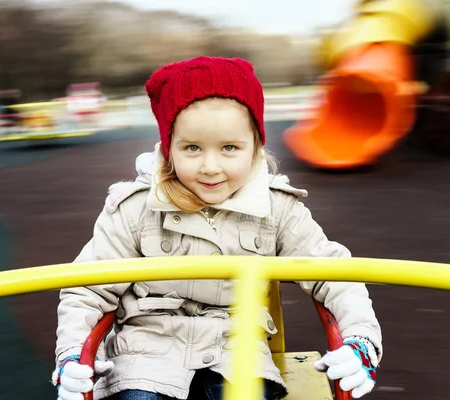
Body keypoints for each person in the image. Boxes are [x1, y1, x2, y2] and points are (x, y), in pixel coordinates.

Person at [52, 56, 382, 400]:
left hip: (238, 353)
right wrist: (73, 354)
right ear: (169, 147)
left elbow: (335, 274)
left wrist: (361, 339)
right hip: (146, 356)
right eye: (192, 148)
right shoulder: (135, 208)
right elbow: (86, 290)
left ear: (255, 146)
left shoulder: (277, 208)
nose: (211, 167)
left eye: (229, 148)